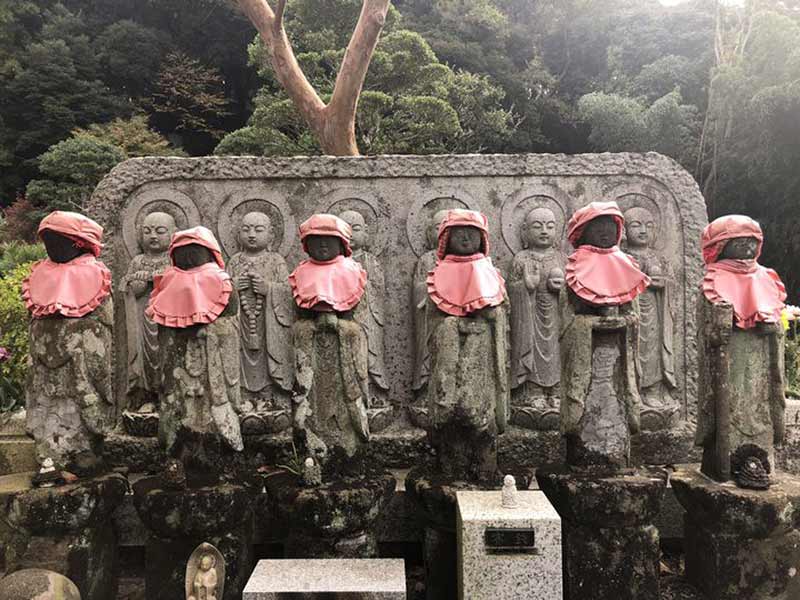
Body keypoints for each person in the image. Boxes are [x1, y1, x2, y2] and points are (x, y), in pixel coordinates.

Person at [146, 226, 243, 477]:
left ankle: (217, 455)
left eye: (194, 250)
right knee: (178, 410)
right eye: (182, 251)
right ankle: (178, 456)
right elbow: (163, 328)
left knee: (212, 415)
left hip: (212, 370)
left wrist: (209, 332)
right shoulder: (169, 281)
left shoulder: (221, 281)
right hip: (179, 366)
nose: (188, 256)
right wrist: (177, 333)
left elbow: (230, 326)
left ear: (209, 252)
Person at [22, 211, 114, 473]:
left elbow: (103, 325)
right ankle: (49, 455)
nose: (51, 247)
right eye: (48, 241)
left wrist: (78, 335)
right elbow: (33, 318)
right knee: (47, 405)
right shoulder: (41, 273)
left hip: (79, 364)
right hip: (45, 360)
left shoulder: (95, 275)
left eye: (57, 240)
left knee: (80, 407)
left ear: (78, 243)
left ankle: (82, 451)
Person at [424, 209, 508, 481]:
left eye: (471, 233)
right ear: (446, 238)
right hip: (449, 359)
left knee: (481, 417)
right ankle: (450, 464)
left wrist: (491, 317)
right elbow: (433, 322)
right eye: (458, 233)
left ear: (482, 239)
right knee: (449, 417)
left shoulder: (491, 273)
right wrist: (451, 325)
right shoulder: (437, 275)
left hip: (480, 360)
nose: (464, 238)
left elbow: (501, 315)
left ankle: (484, 465)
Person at [288, 214, 370, 475]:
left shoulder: (353, 273)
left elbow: (361, 325)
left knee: (345, 410)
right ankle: (312, 457)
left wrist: (341, 327)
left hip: (343, 357)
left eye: (329, 239)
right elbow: (297, 323)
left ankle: (348, 455)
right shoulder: (301, 274)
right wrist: (311, 327)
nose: (323, 244)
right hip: (311, 356)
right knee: (311, 409)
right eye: (316, 240)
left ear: (342, 243)